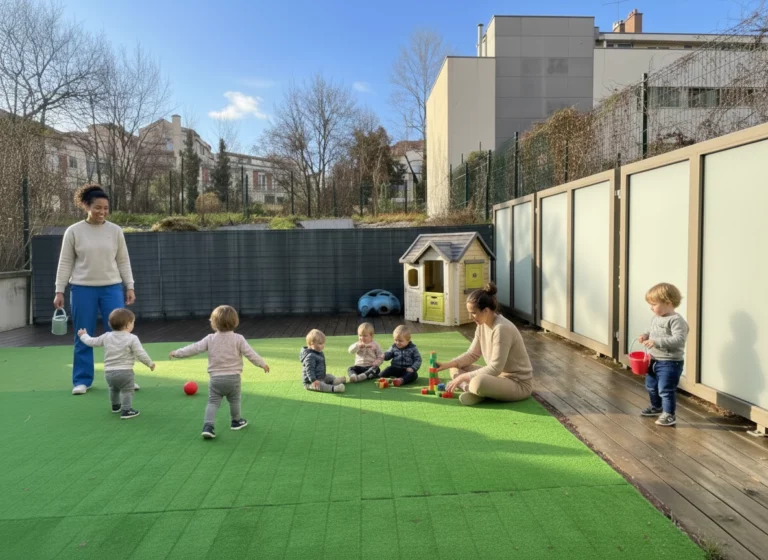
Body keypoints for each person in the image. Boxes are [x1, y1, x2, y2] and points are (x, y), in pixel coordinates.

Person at [54, 184, 137, 396]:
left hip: (112, 288)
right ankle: (82, 380)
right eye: (97, 207)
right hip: (82, 289)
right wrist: (59, 290)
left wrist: (130, 285)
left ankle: (125, 378)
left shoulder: (115, 231)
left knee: (120, 335)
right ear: (86, 206)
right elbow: (65, 262)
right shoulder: (73, 231)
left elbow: (123, 260)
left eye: (106, 208)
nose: (102, 212)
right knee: (83, 334)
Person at [169, 305, 270, 439]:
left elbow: (194, 348)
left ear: (214, 323)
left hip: (215, 379)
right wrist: (262, 364)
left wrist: (177, 353)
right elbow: (251, 354)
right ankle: (236, 421)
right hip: (233, 378)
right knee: (235, 400)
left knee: (213, 402)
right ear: (235, 321)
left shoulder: (210, 339)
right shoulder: (238, 338)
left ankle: (208, 426)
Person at [435, 283, 533, 406]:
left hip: (517, 383)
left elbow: (495, 368)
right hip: (496, 378)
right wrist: (447, 364)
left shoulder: (502, 328)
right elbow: (472, 354)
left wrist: (462, 378)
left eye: (473, 313)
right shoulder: (482, 325)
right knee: (454, 368)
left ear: (486, 310)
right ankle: (474, 391)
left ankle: (476, 390)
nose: (470, 317)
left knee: (478, 382)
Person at [78, 308, 155, 419]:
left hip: (109, 372)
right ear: (128, 325)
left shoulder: (106, 336)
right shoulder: (132, 338)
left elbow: (92, 342)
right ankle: (127, 410)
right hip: (125, 372)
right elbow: (141, 354)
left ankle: (115, 406)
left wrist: (83, 335)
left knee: (113, 389)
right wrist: (150, 364)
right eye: (133, 322)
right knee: (127, 390)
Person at [638, 282, 689, 427]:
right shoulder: (656, 317)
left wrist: (656, 342)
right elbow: (652, 332)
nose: (651, 307)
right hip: (654, 360)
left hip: (670, 362)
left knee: (665, 389)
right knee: (651, 386)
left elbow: (679, 339)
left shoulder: (676, 320)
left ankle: (669, 414)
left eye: (654, 304)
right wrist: (645, 336)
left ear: (668, 302)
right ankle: (656, 407)